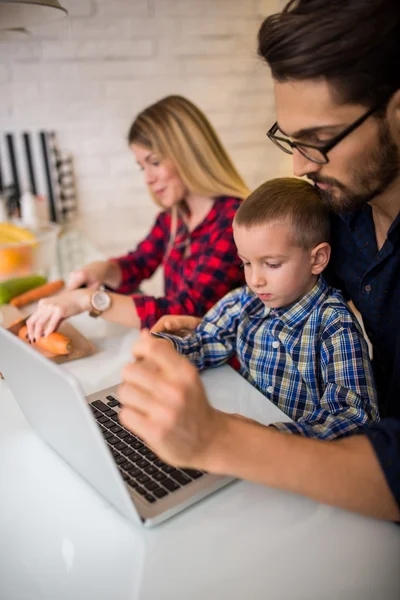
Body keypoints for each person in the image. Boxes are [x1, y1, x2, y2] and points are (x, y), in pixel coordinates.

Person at [117, 0, 400, 521]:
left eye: (318, 141)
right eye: (290, 140)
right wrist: (209, 334)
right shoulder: (330, 213)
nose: (298, 165)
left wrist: (225, 439)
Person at [153, 177, 379, 440]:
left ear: (317, 259)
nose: (255, 279)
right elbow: (205, 342)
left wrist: (271, 437)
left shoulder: (334, 325)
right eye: (246, 263)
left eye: (271, 264)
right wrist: (167, 348)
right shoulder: (245, 301)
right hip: (240, 434)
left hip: (295, 457)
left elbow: (354, 417)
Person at [26, 95, 248, 341]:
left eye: (154, 162)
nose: (148, 179)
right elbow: (139, 263)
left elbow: (187, 310)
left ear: (190, 154)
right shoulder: (174, 217)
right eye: (143, 167)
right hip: (187, 352)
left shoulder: (234, 221)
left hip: (228, 365)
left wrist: (89, 300)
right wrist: (103, 269)